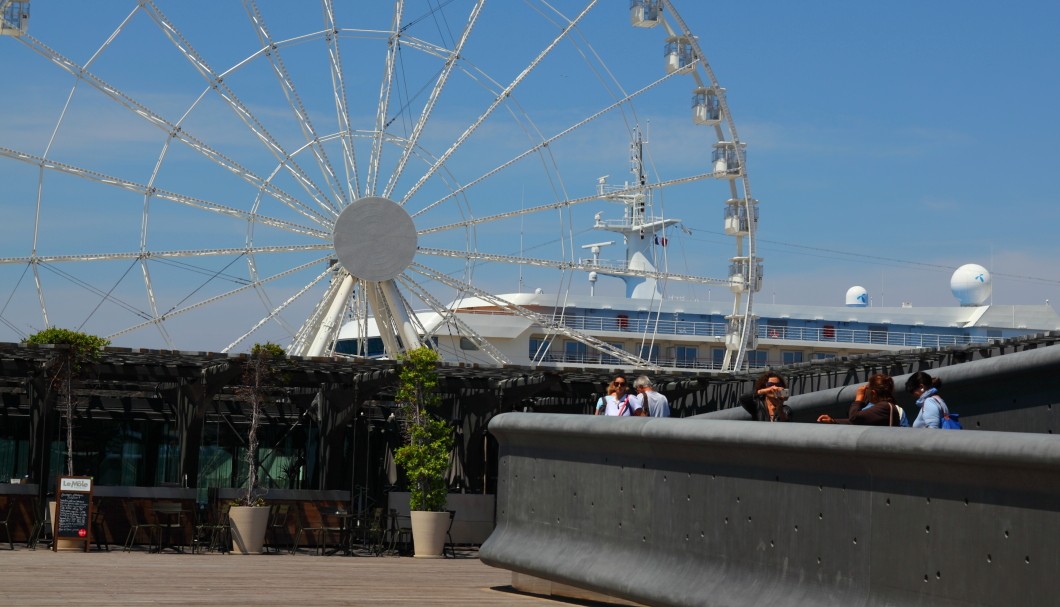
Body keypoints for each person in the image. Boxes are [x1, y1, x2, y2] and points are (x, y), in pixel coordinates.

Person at [817, 373, 902, 426]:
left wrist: (859, 398)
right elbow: (857, 421)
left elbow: (854, 417)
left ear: (873, 393)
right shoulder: (885, 407)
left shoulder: (884, 407)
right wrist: (833, 421)